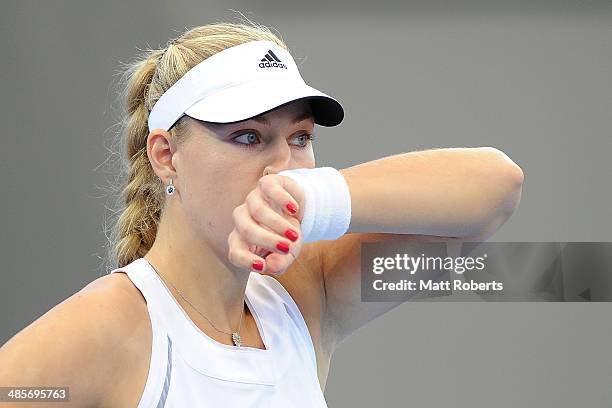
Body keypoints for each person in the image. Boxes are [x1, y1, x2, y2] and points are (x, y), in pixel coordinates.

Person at [0, 21, 524, 407]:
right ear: (166, 156)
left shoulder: (304, 294)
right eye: (247, 137)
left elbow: (496, 189)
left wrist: (317, 202)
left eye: (300, 139)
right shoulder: (111, 323)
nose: (283, 170)